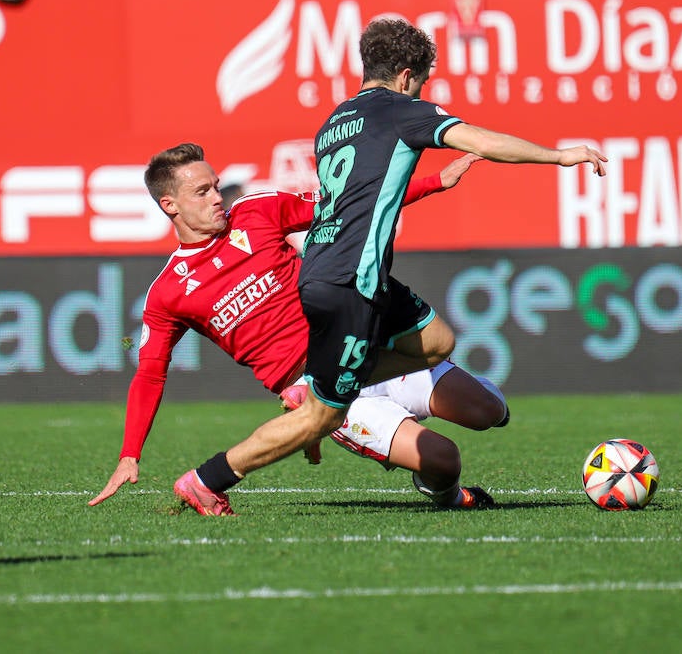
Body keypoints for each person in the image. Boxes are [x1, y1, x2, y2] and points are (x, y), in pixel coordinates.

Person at [170, 19, 607, 516]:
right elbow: (481, 141)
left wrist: (432, 184)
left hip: (339, 273)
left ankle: (336, 380)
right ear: (404, 77)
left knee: (457, 366)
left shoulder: (333, 124)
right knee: (328, 420)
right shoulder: (402, 110)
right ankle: (208, 478)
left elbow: (355, 201)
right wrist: (560, 156)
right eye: (420, 83)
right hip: (351, 280)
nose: (421, 93)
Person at [89, 143, 510, 513]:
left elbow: (349, 207)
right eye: (202, 192)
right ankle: (450, 495)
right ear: (170, 205)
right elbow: (150, 374)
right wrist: (130, 454)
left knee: (490, 412)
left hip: (369, 348)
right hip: (319, 390)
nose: (217, 198)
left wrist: (435, 181)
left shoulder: (258, 211)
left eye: (215, 185)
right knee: (445, 459)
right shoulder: (168, 292)